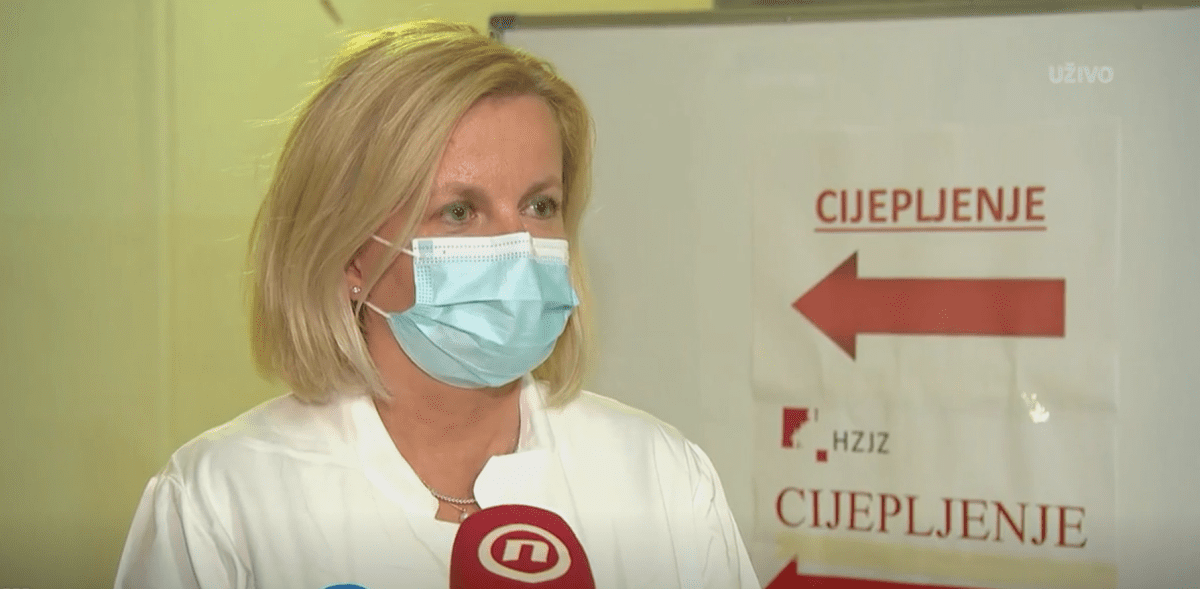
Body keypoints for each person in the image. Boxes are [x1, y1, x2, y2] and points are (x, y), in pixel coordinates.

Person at [114, 20, 759, 589]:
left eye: (540, 205)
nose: (517, 247)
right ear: (352, 255)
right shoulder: (223, 503)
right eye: (459, 211)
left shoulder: (659, 478)